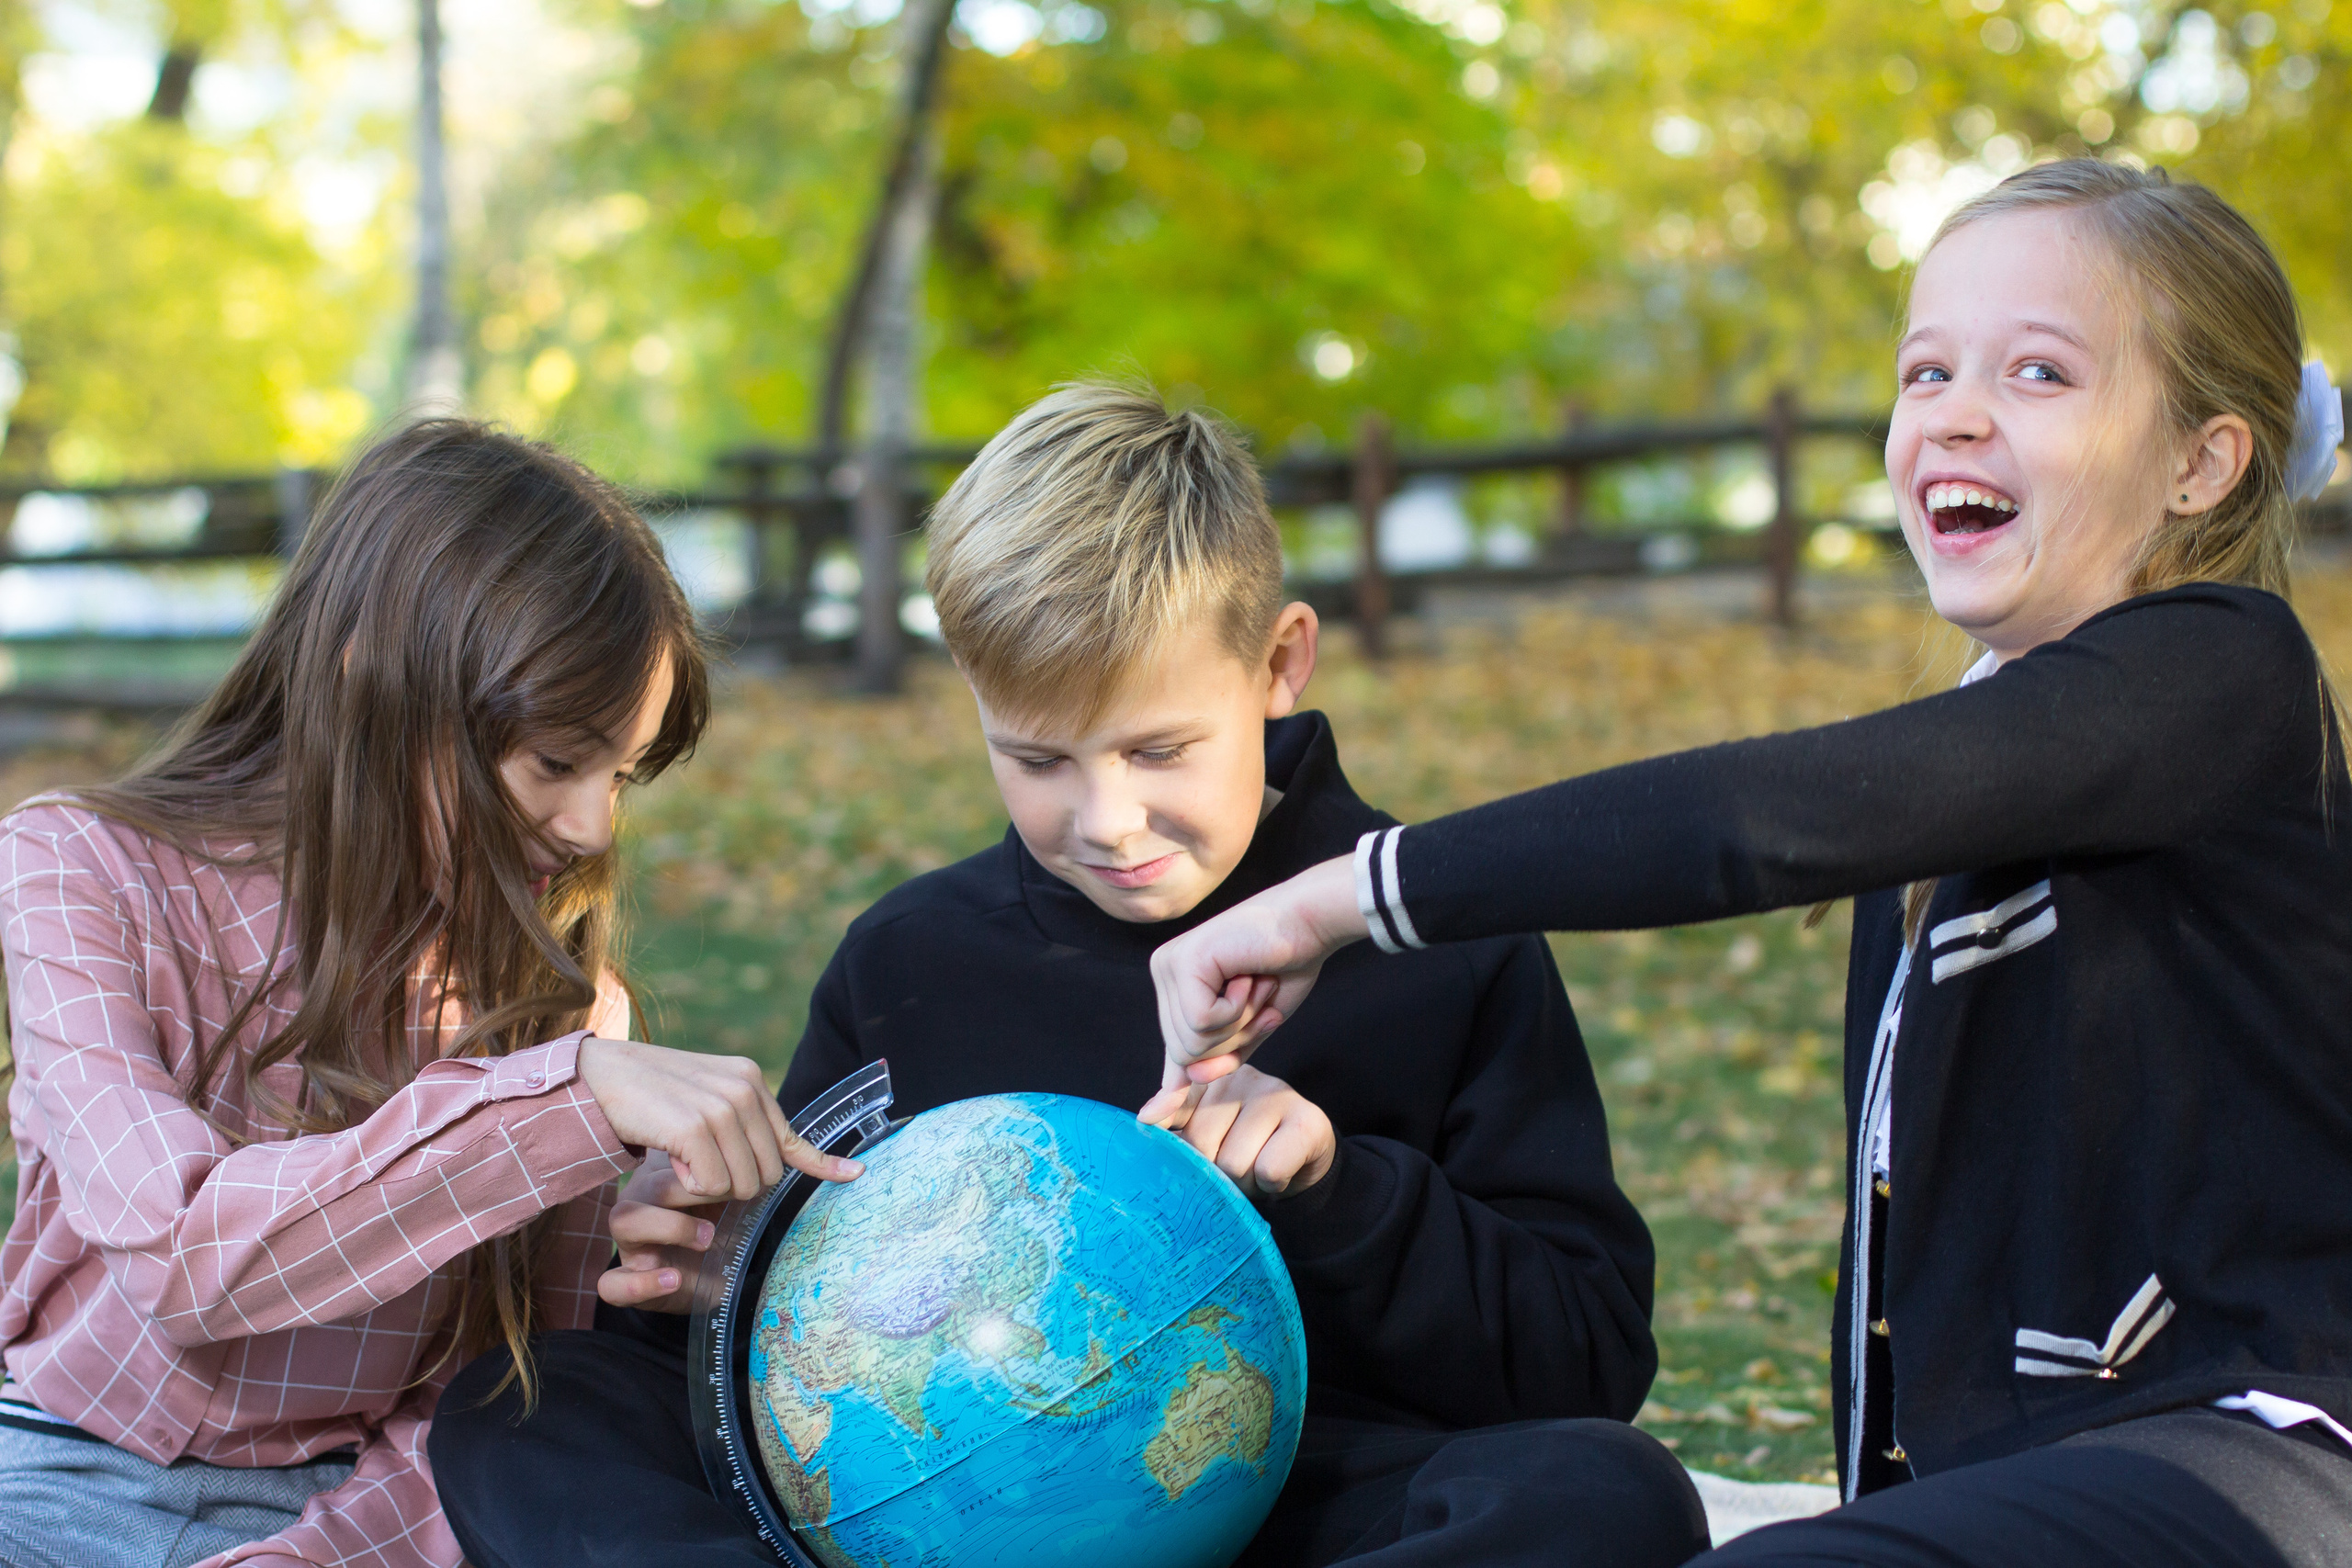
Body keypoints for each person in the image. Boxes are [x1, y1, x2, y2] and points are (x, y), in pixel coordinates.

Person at [1145, 160, 2352, 1568]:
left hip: (2258, 1447)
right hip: (2016, 1492)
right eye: (1924, 370)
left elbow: (1753, 821)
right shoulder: (1960, 791)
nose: (1954, 412)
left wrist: (1337, 895)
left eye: (2039, 372)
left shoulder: (2228, 669)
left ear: (2203, 460)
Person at [428, 383, 1710, 1568]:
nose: (1107, 817)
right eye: (1038, 758)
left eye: (1157, 749)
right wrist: (732, 1273)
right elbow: (786, 1342)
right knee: (520, 1405)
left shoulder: (1442, 938)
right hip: (943, 1505)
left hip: (1317, 1505)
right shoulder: (910, 956)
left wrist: (1344, 1188)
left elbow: (1584, 1355)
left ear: (1278, 663)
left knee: (1607, 1489)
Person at [0, 422, 852, 1568]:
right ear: (374, 682)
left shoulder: (560, 1006)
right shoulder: (74, 869)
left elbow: (488, 1404)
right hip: (55, 1470)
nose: (594, 825)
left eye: (621, 777)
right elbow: (180, 1253)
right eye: (557, 763)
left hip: (344, 1512)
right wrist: (552, 1106)